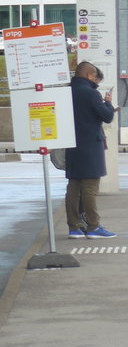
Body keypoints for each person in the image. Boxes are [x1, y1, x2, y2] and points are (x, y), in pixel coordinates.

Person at [66, 62, 117, 239]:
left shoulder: (66, 92)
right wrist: (109, 104)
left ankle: (74, 227)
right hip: (90, 146)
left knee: (73, 186)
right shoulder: (91, 93)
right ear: (90, 76)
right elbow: (107, 116)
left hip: (72, 145)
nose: (96, 81)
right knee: (89, 188)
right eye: (95, 78)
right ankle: (94, 227)